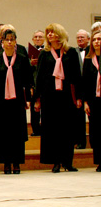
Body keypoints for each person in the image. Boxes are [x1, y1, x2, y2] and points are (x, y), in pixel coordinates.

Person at [34, 23, 81, 173]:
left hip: (66, 96)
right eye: (48, 33)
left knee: (67, 129)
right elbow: (39, 77)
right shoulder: (45, 53)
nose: (50, 35)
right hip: (50, 96)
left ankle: (68, 161)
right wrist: (37, 98)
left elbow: (76, 76)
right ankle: (55, 161)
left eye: (52, 33)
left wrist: (79, 97)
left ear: (60, 34)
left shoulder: (71, 52)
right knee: (52, 130)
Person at [0, 29, 32, 174]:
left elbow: (28, 81)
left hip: (17, 101)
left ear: (15, 42)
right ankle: (6, 163)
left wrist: (28, 99)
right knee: (3, 132)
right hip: (1, 102)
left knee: (17, 132)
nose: (9, 42)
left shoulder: (22, 58)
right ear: (2, 42)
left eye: (12, 40)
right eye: (6, 40)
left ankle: (17, 163)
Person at [83, 29, 101, 171]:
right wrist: (85, 102)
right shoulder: (89, 60)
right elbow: (86, 82)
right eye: (94, 40)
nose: (96, 42)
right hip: (94, 100)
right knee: (96, 132)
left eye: (99, 39)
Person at [75, 29, 90, 149]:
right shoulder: (73, 52)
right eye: (78, 37)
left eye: (82, 37)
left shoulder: (93, 51)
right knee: (78, 117)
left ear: (88, 39)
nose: (80, 39)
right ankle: (81, 142)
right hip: (78, 87)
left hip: (90, 87)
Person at [29, 30, 45, 136]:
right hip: (33, 84)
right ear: (33, 39)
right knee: (34, 109)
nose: (38, 39)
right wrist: (30, 63)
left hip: (45, 85)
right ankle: (35, 130)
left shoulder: (48, 51)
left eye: (40, 37)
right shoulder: (27, 51)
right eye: (36, 37)